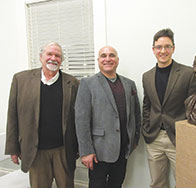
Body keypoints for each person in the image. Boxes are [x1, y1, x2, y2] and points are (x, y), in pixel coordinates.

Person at [5, 41, 79, 188]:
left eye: (57, 55)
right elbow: (12, 115)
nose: (53, 58)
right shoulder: (21, 80)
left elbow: (79, 118)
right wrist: (13, 148)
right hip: (35, 150)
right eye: (49, 54)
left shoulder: (73, 82)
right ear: (41, 57)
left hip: (63, 150)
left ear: (62, 60)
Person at [75, 46, 141, 188]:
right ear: (98, 60)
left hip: (123, 148)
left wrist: (135, 138)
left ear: (117, 60)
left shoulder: (129, 84)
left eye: (112, 55)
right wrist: (86, 151)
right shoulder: (88, 83)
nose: (107, 59)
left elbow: (136, 113)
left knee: (117, 183)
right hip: (99, 151)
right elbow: (81, 120)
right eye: (103, 56)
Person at [142, 28, 196, 188]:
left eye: (167, 47)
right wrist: (146, 130)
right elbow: (147, 105)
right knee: (157, 183)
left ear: (173, 48)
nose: (163, 51)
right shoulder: (147, 76)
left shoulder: (188, 73)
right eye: (159, 47)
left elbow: (193, 108)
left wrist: (188, 135)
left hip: (179, 138)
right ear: (153, 50)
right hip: (154, 138)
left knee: (184, 182)